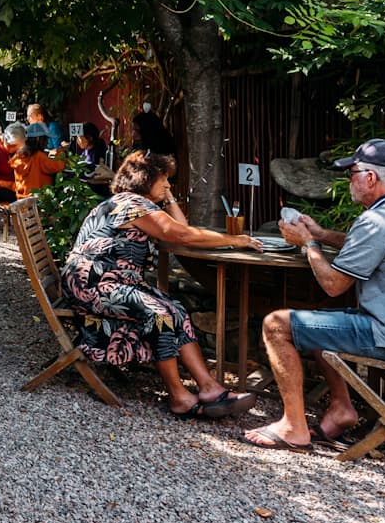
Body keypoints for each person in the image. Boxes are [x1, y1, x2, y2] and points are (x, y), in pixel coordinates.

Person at [244, 139, 385, 451]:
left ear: (370, 178)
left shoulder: (377, 221)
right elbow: (367, 248)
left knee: (276, 324)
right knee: (319, 324)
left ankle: (293, 428)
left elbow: (332, 284)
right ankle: (341, 410)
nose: (348, 180)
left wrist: (307, 244)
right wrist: (321, 234)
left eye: (352, 172)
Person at [61, 150, 260, 418]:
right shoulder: (131, 205)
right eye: (163, 180)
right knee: (160, 314)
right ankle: (178, 397)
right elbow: (180, 234)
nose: (168, 185)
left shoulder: (132, 203)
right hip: (93, 285)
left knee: (175, 308)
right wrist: (235, 240)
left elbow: (180, 229)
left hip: (112, 282)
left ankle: (209, 387)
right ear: (145, 179)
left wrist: (168, 197)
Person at [9, 122, 66, 198]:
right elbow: (59, 166)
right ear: (38, 138)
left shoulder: (18, 156)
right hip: (38, 201)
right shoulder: (39, 157)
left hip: (22, 199)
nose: (47, 142)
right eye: (46, 138)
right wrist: (60, 151)